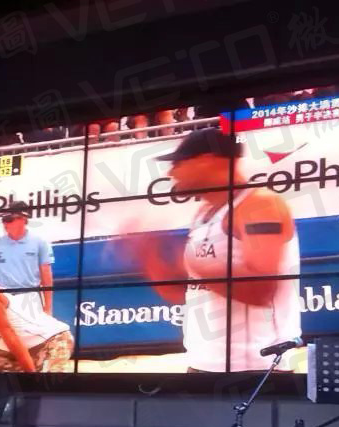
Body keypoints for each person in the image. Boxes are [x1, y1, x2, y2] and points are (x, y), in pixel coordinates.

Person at [128, 127, 301, 372]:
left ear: (207, 159)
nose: (171, 172)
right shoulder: (203, 215)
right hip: (202, 364)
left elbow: (262, 290)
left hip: (258, 369)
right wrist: (149, 256)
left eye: (178, 163)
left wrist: (193, 264)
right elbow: (185, 292)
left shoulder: (260, 205)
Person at [0, 202, 55, 315]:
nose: (5, 223)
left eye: (9, 219)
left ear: (23, 219)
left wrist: (48, 308)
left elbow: (46, 277)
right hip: (1, 296)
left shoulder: (40, 243)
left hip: (29, 297)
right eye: (3, 220)